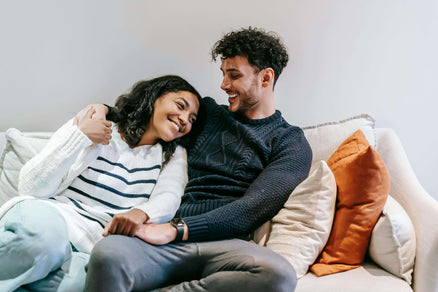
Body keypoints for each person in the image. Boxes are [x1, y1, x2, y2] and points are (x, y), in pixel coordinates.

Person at [84, 27, 313, 292]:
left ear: (265, 77)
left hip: (225, 244)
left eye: (234, 75)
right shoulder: (207, 114)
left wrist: (178, 229)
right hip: (160, 237)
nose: (224, 85)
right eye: (223, 74)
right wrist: (103, 110)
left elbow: (252, 209)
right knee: (107, 254)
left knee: (278, 275)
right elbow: (149, 109)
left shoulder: (290, 142)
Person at [0, 75, 201, 292]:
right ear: (155, 97)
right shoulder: (97, 121)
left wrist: (141, 213)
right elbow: (31, 187)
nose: (184, 119)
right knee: (42, 245)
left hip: (91, 244)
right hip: (51, 216)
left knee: (77, 286)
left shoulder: (172, 155)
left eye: (192, 119)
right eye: (180, 106)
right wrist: (81, 136)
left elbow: (169, 197)